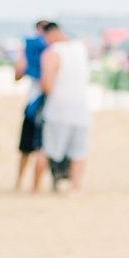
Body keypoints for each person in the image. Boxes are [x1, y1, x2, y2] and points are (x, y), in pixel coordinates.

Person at [34, 22, 93, 193]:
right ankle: (75, 187)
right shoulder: (80, 48)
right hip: (81, 108)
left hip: (58, 109)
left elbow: (47, 85)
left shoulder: (52, 53)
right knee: (79, 152)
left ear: (49, 35)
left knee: (47, 150)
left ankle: (36, 189)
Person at [12, 20, 51, 190]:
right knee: (35, 147)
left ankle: (22, 183)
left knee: (31, 148)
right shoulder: (47, 50)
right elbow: (18, 74)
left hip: (37, 102)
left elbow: (18, 74)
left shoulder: (41, 50)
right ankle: (22, 183)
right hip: (38, 101)